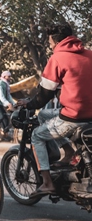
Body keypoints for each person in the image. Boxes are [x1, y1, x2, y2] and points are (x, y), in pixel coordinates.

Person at [16, 22, 92, 197]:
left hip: (73, 118)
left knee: (36, 135)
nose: (50, 47)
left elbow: (44, 95)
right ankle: (69, 152)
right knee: (44, 115)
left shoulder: (57, 58)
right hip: (89, 117)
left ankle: (47, 183)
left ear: (56, 42)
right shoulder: (89, 54)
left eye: (50, 43)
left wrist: (29, 103)